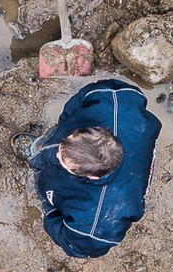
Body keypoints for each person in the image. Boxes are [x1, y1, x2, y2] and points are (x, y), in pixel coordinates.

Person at [17, 79, 160, 259]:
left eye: (63, 161)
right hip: (97, 143)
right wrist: (64, 123)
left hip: (66, 191)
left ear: (92, 176)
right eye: (64, 145)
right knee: (49, 145)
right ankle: (39, 150)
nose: (57, 154)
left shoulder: (101, 217)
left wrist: (52, 213)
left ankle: (41, 176)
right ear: (97, 130)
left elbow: (78, 246)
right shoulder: (114, 100)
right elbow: (86, 95)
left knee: (46, 184)